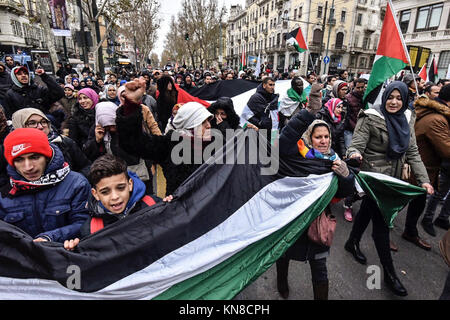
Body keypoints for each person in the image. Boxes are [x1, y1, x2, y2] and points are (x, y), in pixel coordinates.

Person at [345, 81, 433, 296]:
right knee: (382, 227)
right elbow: (355, 145)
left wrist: (424, 179)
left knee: (367, 209)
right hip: (374, 179)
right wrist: (354, 155)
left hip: (394, 180)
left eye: (399, 98)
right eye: (390, 97)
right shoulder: (371, 117)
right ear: (384, 98)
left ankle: (352, 242)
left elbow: (412, 151)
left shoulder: (407, 117)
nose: (394, 102)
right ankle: (390, 274)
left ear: (405, 100)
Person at [276, 106, 355, 300]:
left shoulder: (335, 161)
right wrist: (309, 111)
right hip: (292, 220)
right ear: (309, 138)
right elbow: (285, 141)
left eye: (326, 136)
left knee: (320, 269)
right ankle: (282, 283)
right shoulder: (298, 157)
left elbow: (344, 192)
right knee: (283, 255)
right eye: (318, 137)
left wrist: (345, 176)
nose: (323, 141)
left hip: (318, 224)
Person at [116, 78, 213, 196]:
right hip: (180, 209)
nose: (209, 126)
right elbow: (133, 142)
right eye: (203, 122)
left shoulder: (217, 144)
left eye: (209, 121)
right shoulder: (170, 145)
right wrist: (131, 105)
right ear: (190, 125)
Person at [0, 128, 90, 243]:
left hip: (67, 255)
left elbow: (84, 224)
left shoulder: (76, 184)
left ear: (47, 157)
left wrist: (50, 238)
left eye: (34, 157)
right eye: (19, 160)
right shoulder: (5, 195)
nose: (28, 167)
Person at [63, 154, 164, 250]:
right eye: (105, 192)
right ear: (95, 194)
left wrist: (172, 205)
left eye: (120, 188)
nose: (115, 197)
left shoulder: (153, 204)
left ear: (130, 185)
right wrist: (74, 251)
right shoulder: (91, 230)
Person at [11, 108, 91, 177]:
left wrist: (74, 182)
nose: (40, 126)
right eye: (32, 123)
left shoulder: (63, 142)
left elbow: (86, 167)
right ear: (20, 126)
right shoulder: (12, 150)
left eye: (43, 122)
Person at [416, 84, 450, 236]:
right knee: (423, 197)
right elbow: (446, 149)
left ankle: (411, 230)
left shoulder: (442, 114)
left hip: (429, 166)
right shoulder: (438, 118)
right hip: (425, 166)